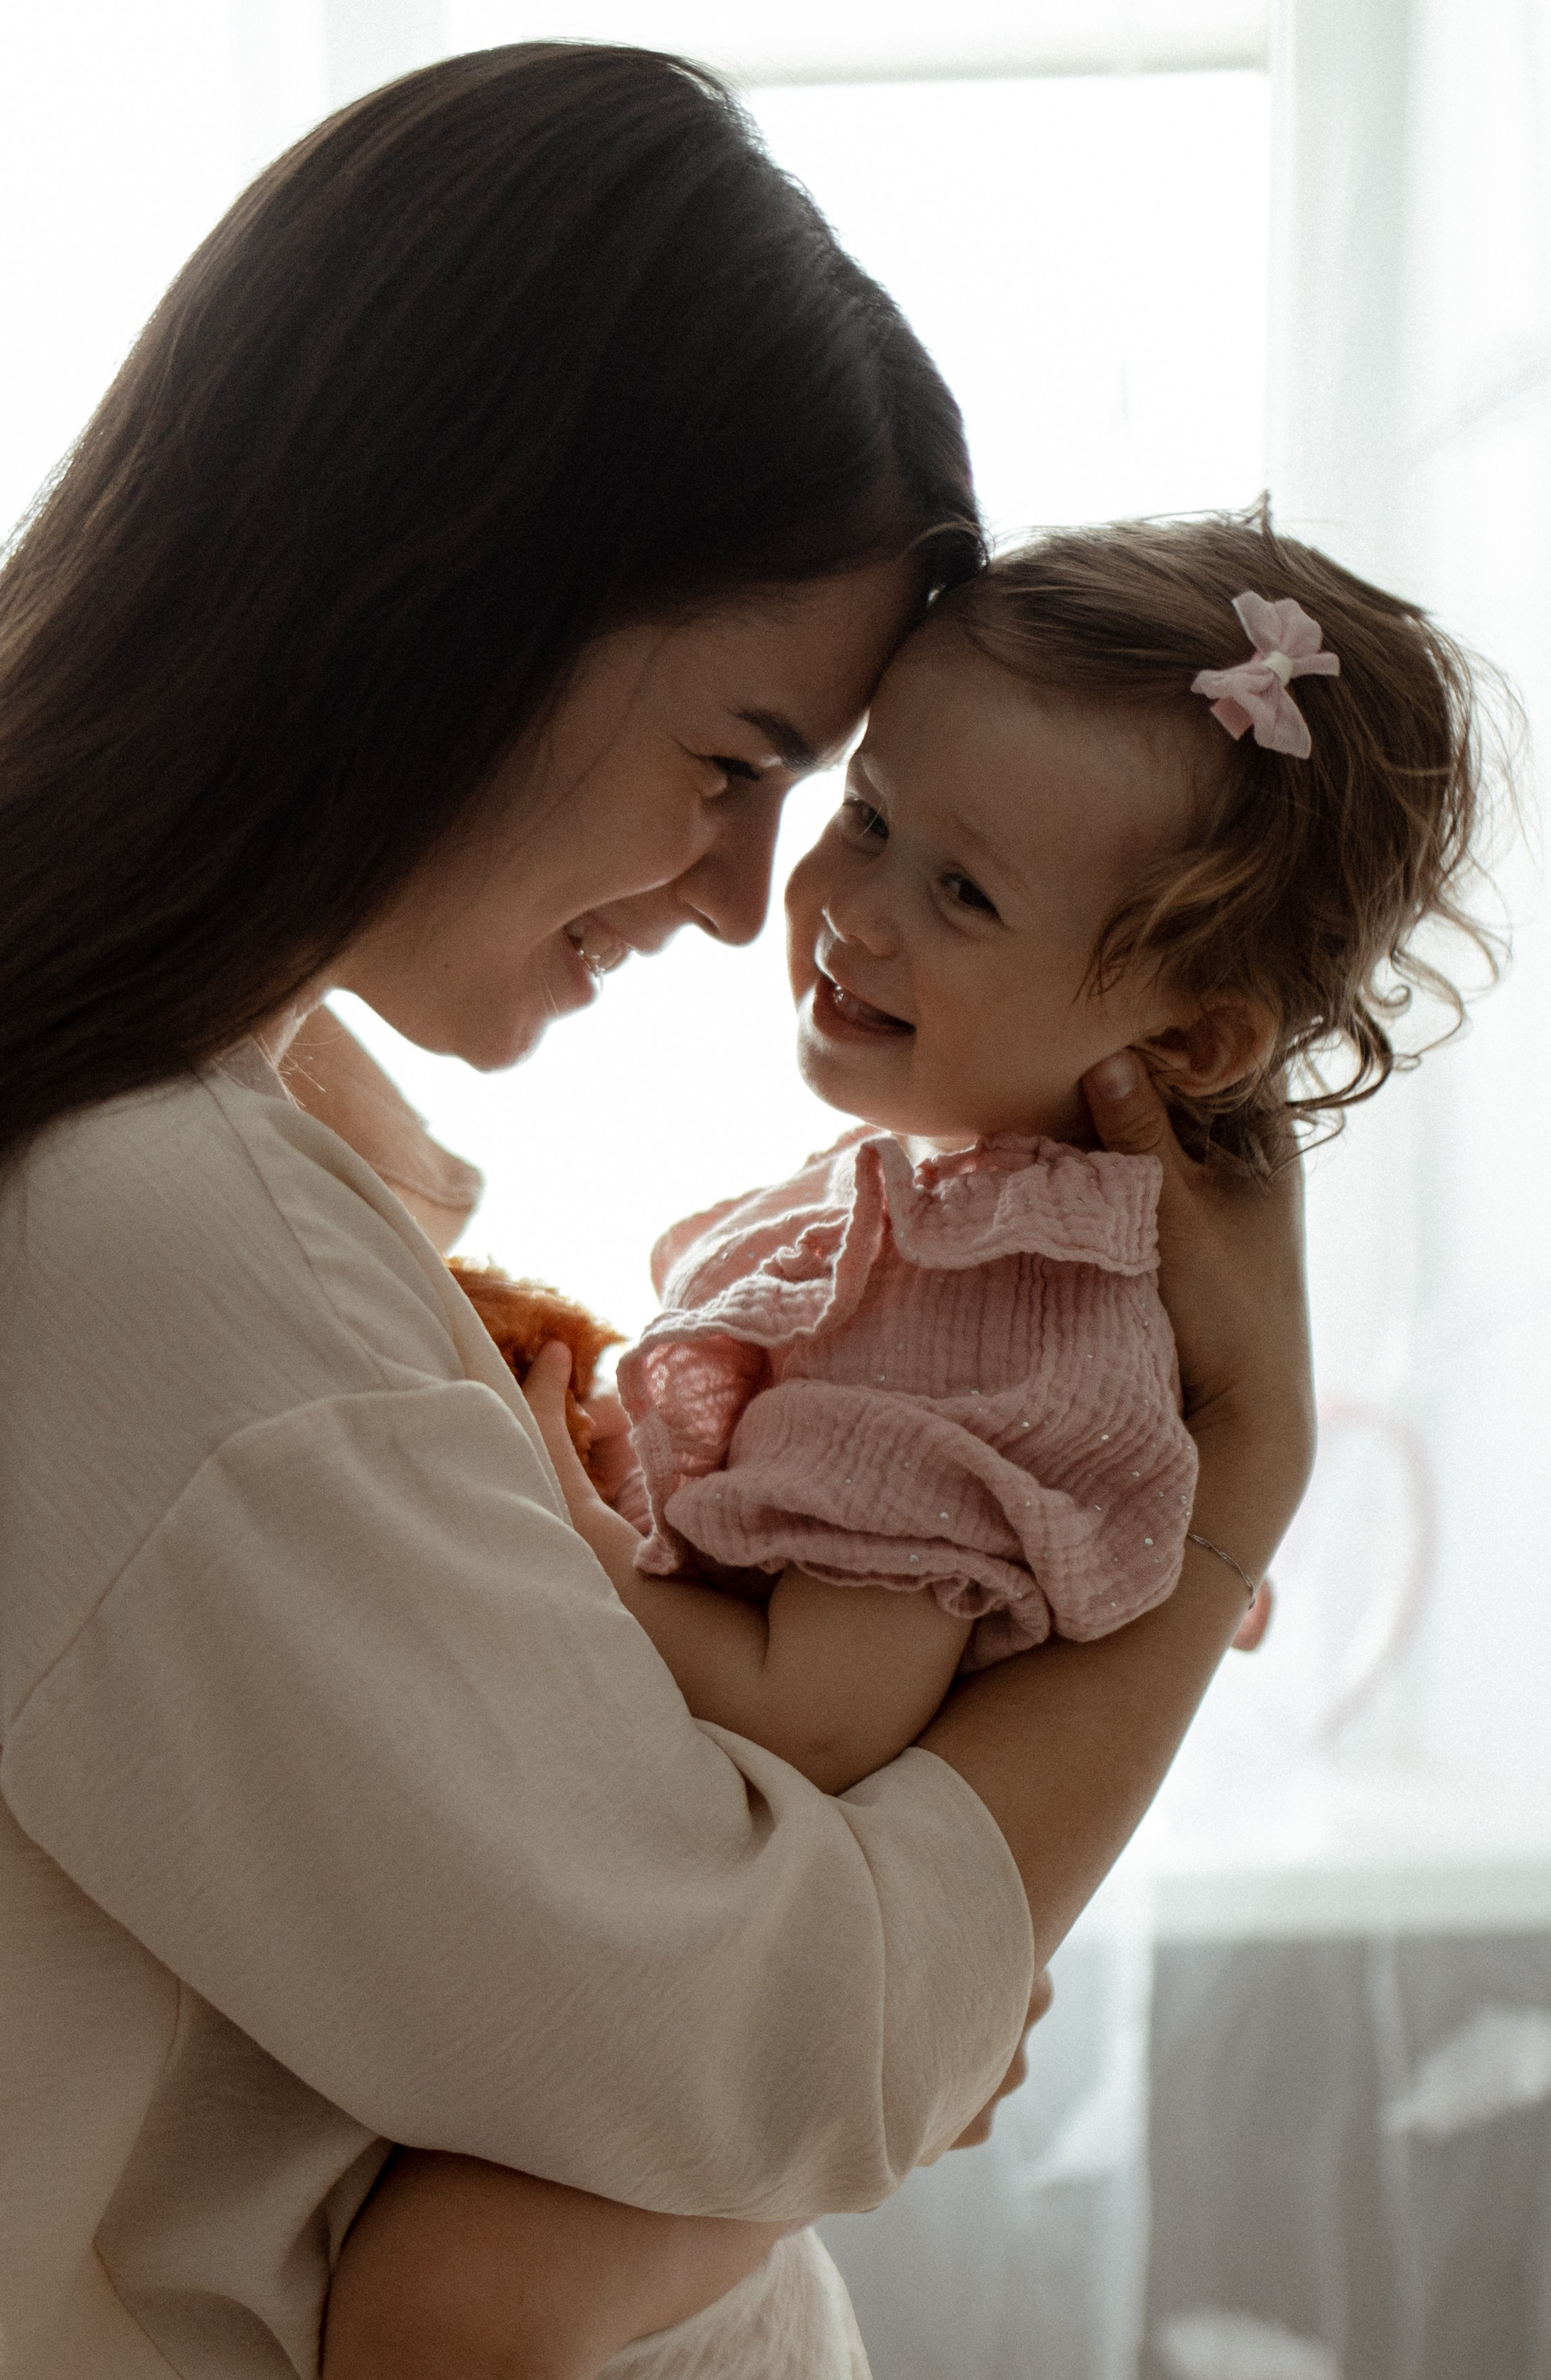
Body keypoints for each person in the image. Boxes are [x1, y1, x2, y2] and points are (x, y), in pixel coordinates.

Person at [0, 43, 1311, 2380]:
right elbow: (786, 2047)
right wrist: (1223, 1509)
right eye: (741, 768)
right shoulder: (154, 1238)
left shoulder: (222, 1161)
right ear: (446, 600)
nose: (742, 902)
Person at [324, 511, 1500, 2372]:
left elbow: (818, 1707)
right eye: (872, 816)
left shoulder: (1000, 1316)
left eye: (964, 896)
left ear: (1190, 1037)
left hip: (799, 1974)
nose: (853, 907)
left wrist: (562, 1512)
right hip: (751, 1950)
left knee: (444, 2306)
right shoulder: (929, 1220)